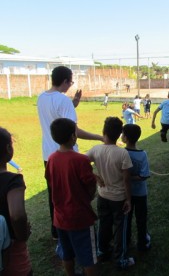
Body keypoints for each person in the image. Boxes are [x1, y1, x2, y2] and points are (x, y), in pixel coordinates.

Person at [37, 66, 103, 240]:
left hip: (49, 156)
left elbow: (56, 115)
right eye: (70, 82)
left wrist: (73, 104)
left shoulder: (41, 97)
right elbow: (74, 130)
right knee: (75, 194)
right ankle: (77, 229)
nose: (70, 85)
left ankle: (56, 231)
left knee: (55, 193)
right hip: (68, 156)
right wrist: (99, 137)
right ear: (65, 80)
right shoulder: (63, 100)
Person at [45, 118, 98, 276]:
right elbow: (90, 186)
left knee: (67, 253)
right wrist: (88, 197)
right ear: (73, 137)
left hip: (60, 218)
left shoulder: (52, 159)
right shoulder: (81, 160)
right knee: (88, 257)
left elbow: (49, 179)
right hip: (80, 217)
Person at [86, 117, 135, 269]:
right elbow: (126, 180)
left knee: (104, 223)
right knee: (120, 228)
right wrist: (129, 200)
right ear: (120, 134)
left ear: (103, 132)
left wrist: (95, 176)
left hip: (103, 196)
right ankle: (120, 259)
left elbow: (81, 163)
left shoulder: (95, 150)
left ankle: (102, 251)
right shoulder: (122, 154)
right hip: (119, 198)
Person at [0, 127, 32, 275]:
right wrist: (23, 234)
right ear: (8, 148)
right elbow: (17, 215)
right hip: (12, 251)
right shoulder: (13, 181)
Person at [122, 124, 151, 251]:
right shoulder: (143, 154)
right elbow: (144, 176)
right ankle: (142, 243)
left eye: (123, 134)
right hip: (140, 193)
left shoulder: (122, 153)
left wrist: (127, 178)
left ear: (126, 138)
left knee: (126, 219)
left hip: (125, 194)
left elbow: (121, 174)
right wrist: (134, 177)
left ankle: (126, 241)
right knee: (141, 219)